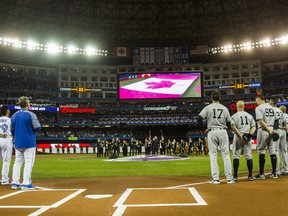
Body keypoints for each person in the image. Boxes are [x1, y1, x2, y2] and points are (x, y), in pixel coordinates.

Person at [199, 91, 235, 184]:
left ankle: (215, 179)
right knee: (226, 155)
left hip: (212, 131)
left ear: (211, 99)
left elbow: (199, 118)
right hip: (222, 131)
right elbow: (228, 122)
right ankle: (230, 178)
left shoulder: (208, 107)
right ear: (220, 98)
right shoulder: (224, 108)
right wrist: (226, 128)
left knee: (213, 156)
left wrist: (204, 129)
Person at [11, 96, 41, 190]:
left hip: (18, 142)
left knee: (17, 162)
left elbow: (11, 130)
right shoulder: (31, 114)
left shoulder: (14, 115)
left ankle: (15, 183)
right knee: (28, 162)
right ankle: (26, 183)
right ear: (27, 104)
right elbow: (37, 128)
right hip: (29, 142)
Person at [230, 100, 256, 181]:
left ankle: (235, 176)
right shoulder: (249, 116)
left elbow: (233, 126)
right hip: (247, 137)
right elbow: (254, 127)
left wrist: (240, 136)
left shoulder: (234, 116)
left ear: (237, 107)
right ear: (244, 106)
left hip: (238, 136)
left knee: (236, 155)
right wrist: (249, 135)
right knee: (248, 156)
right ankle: (250, 175)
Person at [254, 95, 278, 179]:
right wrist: (273, 130)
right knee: (272, 151)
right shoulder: (271, 108)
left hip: (264, 130)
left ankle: (261, 174)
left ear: (259, 99)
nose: (256, 102)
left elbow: (260, 121)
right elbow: (276, 120)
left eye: (256, 100)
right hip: (272, 129)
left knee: (261, 151)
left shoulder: (259, 108)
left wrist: (268, 129)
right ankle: (274, 173)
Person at [270, 100, 288, 175]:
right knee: (284, 151)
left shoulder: (271, 110)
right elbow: (285, 123)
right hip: (283, 131)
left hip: (277, 131)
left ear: (271, 103)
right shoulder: (281, 112)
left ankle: (277, 170)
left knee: (275, 150)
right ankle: (286, 169)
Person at [0, 106, 13, 185]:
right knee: (6, 161)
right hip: (6, 140)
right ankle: (4, 179)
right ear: (7, 111)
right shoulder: (10, 120)